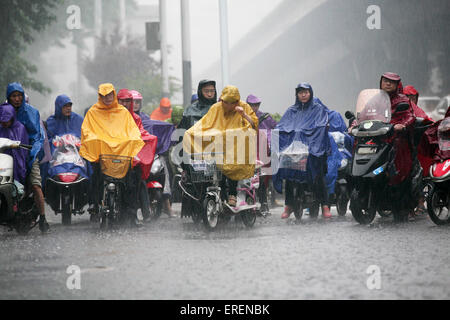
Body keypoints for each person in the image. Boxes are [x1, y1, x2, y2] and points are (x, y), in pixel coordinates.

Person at [80, 84, 145, 226]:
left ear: (113, 94)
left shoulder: (122, 112)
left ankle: (132, 213)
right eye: (104, 96)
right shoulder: (93, 112)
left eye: (109, 95)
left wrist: (132, 141)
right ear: (99, 96)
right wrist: (94, 141)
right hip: (101, 155)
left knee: (133, 180)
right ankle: (94, 204)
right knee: (95, 176)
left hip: (121, 155)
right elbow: (87, 131)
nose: (107, 98)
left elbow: (132, 131)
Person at [183, 85, 258, 206]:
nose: (229, 106)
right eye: (226, 102)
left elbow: (254, 125)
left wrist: (244, 115)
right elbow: (204, 124)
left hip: (236, 147)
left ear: (237, 101)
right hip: (219, 146)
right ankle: (223, 196)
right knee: (219, 171)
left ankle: (232, 194)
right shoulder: (216, 108)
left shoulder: (244, 107)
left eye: (232, 102)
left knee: (233, 166)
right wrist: (191, 133)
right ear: (222, 100)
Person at [274, 83, 332, 219]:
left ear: (310, 93)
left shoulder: (318, 109)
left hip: (313, 149)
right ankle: (288, 205)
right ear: (297, 95)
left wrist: (306, 137)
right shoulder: (291, 111)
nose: (303, 95)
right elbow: (281, 126)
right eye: (300, 92)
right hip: (294, 150)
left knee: (318, 174)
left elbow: (321, 126)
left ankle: (324, 205)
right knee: (288, 171)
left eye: (306, 92)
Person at [6, 82, 49, 232]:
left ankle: (43, 218)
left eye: (19, 95)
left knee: (36, 184)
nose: (17, 99)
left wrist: (31, 153)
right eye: (13, 96)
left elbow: (37, 136)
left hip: (29, 154)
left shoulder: (32, 112)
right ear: (8, 97)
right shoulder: (4, 111)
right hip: (8, 154)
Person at [117, 89, 158, 222]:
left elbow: (140, 133)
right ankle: (97, 208)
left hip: (130, 157)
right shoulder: (110, 117)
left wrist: (150, 139)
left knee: (137, 179)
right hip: (112, 156)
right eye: (122, 100)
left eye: (128, 101)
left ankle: (135, 214)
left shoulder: (137, 118)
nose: (125, 103)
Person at [246, 94, 278, 215]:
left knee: (262, 177)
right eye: (252, 105)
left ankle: (264, 203)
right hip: (247, 149)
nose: (254, 107)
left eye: (256, 105)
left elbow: (276, 129)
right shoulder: (242, 117)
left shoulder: (265, 117)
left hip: (263, 149)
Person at [0, 103, 29, 185]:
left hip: (15, 161)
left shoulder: (20, 128)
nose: (4, 123)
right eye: (2, 120)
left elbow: (23, 149)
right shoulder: (1, 128)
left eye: (7, 120)